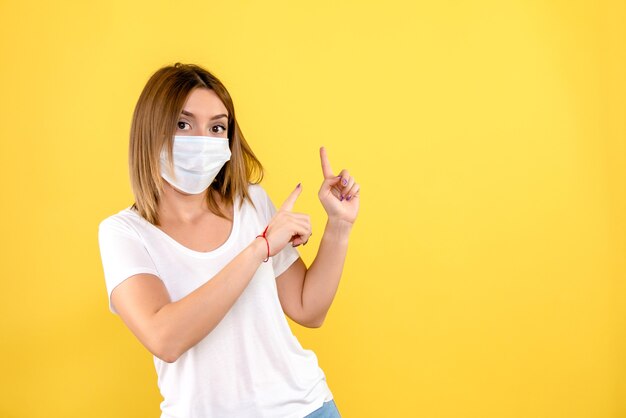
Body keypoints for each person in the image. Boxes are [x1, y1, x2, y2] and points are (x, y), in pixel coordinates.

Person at [97, 63, 360, 418]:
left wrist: (339, 225)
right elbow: (165, 338)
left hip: (306, 408)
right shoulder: (124, 233)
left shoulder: (251, 202)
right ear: (150, 130)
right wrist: (258, 249)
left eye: (217, 127)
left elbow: (308, 309)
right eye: (183, 124)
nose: (202, 140)